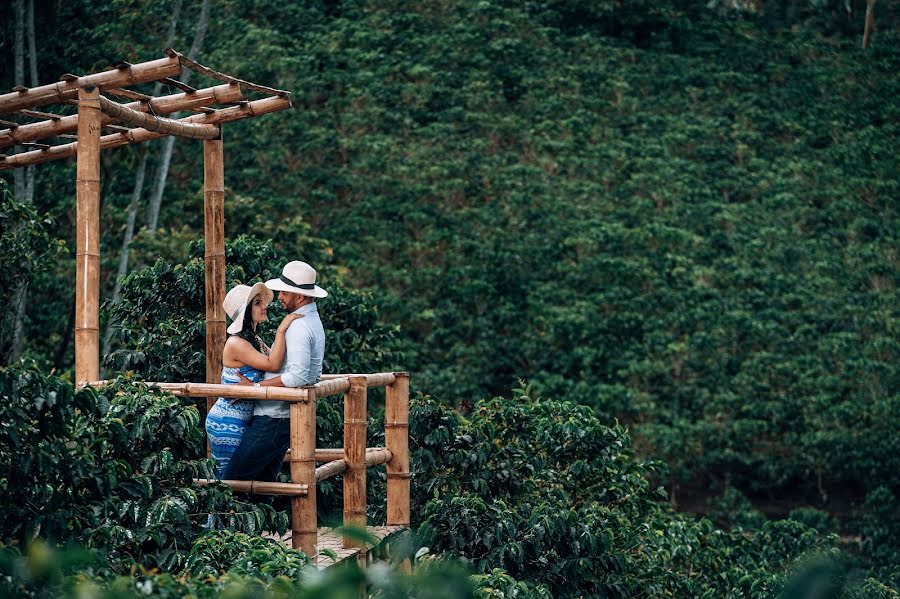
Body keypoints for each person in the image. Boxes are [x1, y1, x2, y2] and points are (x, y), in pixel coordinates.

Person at [220, 261, 328, 485]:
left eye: (283, 293)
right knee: (263, 483)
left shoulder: (298, 326)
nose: (278, 298)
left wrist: (256, 389)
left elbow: (298, 377)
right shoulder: (310, 321)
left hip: (273, 416)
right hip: (272, 415)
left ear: (299, 297)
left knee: (234, 481)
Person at [205, 282, 302, 477]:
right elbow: (273, 365)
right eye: (257, 303)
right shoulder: (236, 343)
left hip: (243, 420)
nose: (264, 306)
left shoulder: (254, 341)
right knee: (228, 483)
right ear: (246, 312)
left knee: (239, 482)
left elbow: (279, 359)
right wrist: (282, 330)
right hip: (228, 420)